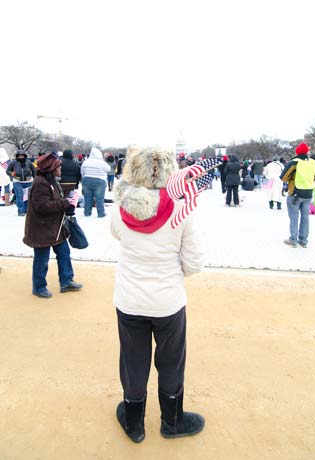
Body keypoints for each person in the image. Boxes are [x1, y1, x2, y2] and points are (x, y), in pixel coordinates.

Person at [111, 147, 205, 443]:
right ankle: (172, 421)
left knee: (133, 360)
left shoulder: (119, 207)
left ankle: (134, 422)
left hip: (129, 299)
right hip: (167, 301)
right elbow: (193, 263)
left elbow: (116, 233)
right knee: (171, 361)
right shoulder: (181, 209)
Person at [22, 152, 82, 298]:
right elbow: (42, 206)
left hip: (54, 228)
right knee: (42, 259)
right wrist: (64, 202)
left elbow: (53, 200)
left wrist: (67, 201)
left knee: (64, 253)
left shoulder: (50, 181)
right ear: (50, 169)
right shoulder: (40, 183)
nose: (60, 169)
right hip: (42, 229)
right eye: (58, 167)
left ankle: (66, 281)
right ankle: (38, 287)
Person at [280, 142, 315, 248]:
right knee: (305, 217)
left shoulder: (294, 162)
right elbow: (314, 177)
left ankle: (293, 239)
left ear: (297, 152)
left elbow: (283, 177)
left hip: (295, 194)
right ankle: (303, 240)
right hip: (308, 193)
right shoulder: (312, 162)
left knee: (294, 217)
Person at [80, 147, 110, 218]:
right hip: (100, 181)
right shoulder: (101, 162)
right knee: (99, 198)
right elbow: (108, 169)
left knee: (87, 198)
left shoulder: (86, 162)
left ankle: (87, 212)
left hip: (86, 180)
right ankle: (101, 213)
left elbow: (82, 172)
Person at [6, 150, 36, 216]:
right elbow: (8, 171)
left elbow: (34, 171)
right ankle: (21, 211)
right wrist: (11, 173)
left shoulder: (29, 163)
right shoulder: (13, 163)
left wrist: (35, 179)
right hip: (17, 182)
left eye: (22, 155)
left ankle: (26, 210)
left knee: (27, 197)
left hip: (28, 182)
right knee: (19, 196)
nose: (21, 157)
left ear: (25, 156)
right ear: (17, 156)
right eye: (19, 155)